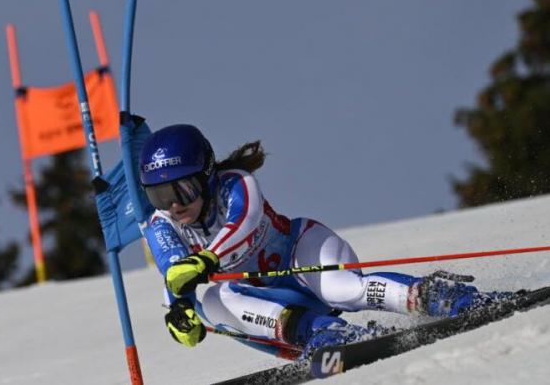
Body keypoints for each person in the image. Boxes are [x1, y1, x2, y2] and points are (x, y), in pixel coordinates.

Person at [140, 124, 502, 354]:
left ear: (205, 177)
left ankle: (443, 298)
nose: (173, 204)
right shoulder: (162, 224)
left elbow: (244, 224)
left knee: (342, 290)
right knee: (216, 301)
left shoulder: (236, 184)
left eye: (183, 190)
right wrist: (179, 309)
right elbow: (174, 271)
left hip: (302, 254)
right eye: (159, 195)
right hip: (269, 295)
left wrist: (205, 260)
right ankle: (324, 334)